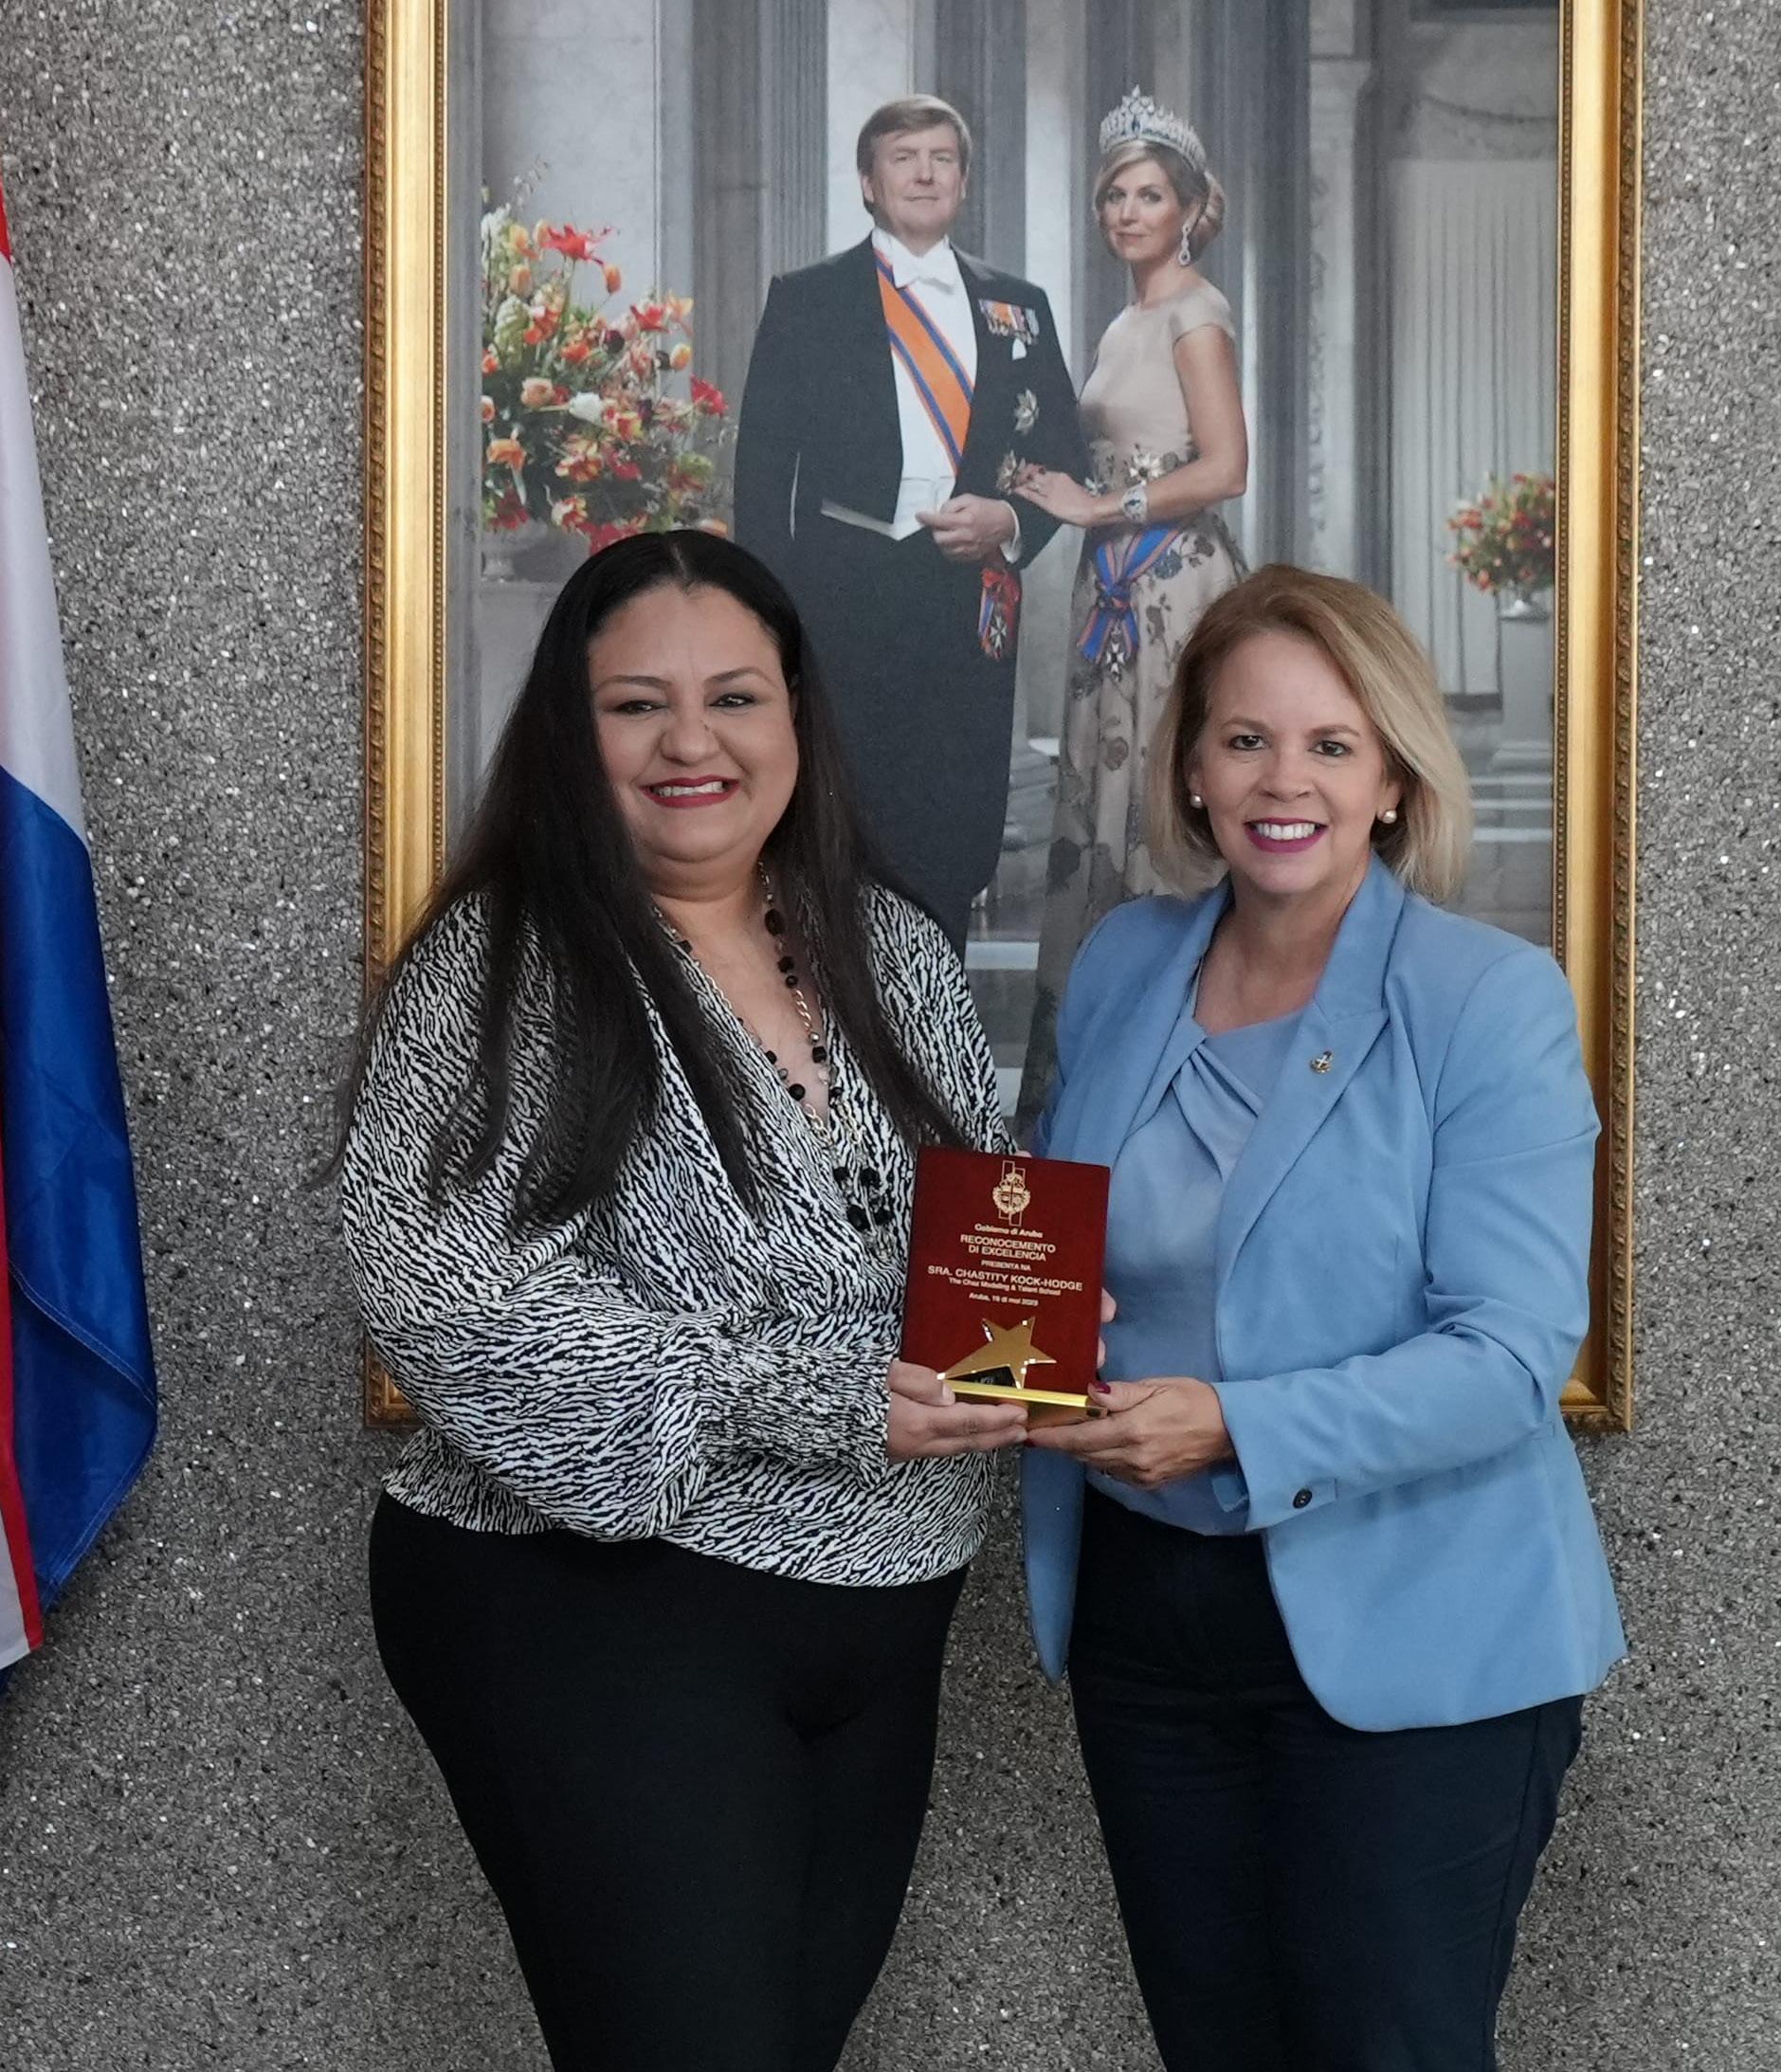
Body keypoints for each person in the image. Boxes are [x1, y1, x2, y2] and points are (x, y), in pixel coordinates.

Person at [341, 530, 1031, 2072]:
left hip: (889, 1593)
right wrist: (812, 1393)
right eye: (636, 704)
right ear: (569, 731)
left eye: (733, 697)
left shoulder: (891, 946)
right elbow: (435, 1281)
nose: (690, 742)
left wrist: (1045, 1340)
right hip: (595, 1601)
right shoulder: (503, 963)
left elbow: (982, 1222)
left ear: (797, 717)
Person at [1022, 566, 1623, 2072]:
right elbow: (1060, 1232)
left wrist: (1235, 1423)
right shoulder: (1123, 963)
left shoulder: (1488, 998)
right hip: (1147, 1622)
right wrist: (1037, 1337)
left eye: (1331, 745)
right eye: (1244, 740)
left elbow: (1507, 1354)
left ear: (1395, 779)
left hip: (1414, 1624)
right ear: (1190, 770)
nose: (1282, 781)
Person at [733, 93, 1089, 942]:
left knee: (951, 828)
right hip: (840, 592)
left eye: (942, 159)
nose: (924, 175)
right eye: (904, 158)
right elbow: (762, 474)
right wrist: (769, 620)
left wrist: (1010, 521)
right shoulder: (808, 297)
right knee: (837, 826)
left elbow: (1066, 456)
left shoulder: (1019, 306)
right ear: (868, 182)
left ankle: (937, 1002)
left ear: (963, 181)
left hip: (965, 593)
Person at [1006, 88, 1250, 1107]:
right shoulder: (1122, 321)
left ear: (1188, 208)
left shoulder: (1196, 312)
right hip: (1106, 590)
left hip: (1172, 589)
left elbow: (1226, 467)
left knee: (1162, 808)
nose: (1126, 212)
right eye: (1114, 195)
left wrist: (1107, 505)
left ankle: (1174, 1074)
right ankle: (1094, 1082)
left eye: (1148, 195)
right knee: (1099, 810)